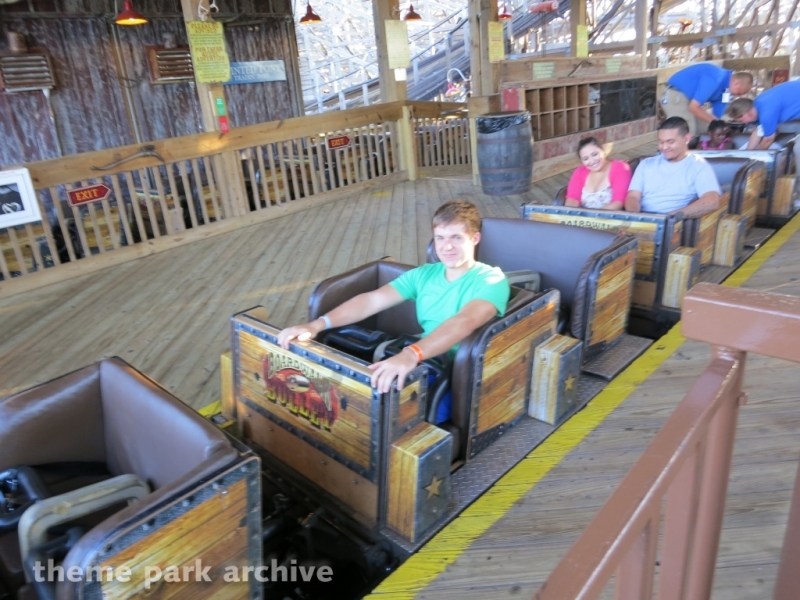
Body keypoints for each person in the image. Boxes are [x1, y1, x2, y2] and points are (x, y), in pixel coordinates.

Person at [277, 200, 510, 424]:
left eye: (456, 238)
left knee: (390, 412)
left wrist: (412, 354)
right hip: (422, 358)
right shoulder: (424, 274)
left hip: (458, 370)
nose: (447, 246)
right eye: (440, 238)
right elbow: (371, 301)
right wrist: (317, 325)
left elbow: (465, 321)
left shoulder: (491, 280)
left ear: (475, 238)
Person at [625, 117, 721, 217]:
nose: (664, 147)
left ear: (686, 139)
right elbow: (633, 197)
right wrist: (635, 217)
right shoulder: (646, 164)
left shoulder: (698, 165)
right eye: (661, 142)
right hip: (642, 220)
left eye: (670, 142)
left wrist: (668, 218)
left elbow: (712, 201)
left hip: (673, 221)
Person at [663, 65, 753, 135]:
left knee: (704, 130)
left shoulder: (726, 90)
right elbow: (694, 108)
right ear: (737, 83)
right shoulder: (715, 77)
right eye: (738, 93)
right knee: (688, 131)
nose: (736, 96)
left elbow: (718, 116)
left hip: (691, 100)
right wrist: (717, 124)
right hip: (676, 94)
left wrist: (724, 124)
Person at [724, 81, 800, 155]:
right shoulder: (757, 105)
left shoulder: (766, 112)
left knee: (798, 149)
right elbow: (758, 131)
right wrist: (746, 153)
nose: (743, 123)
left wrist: (756, 156)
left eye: (741, 120)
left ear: (746, 114)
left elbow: (768, 139)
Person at [564, 137, 631, 210]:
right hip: (581, 216)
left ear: (603, 150)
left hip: (608, 215)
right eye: (586, 159)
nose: (592, 161)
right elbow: (572, 199)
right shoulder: (580, 171)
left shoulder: (619, 167)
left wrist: (595, 216)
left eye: (594, 154)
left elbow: (618, 203)